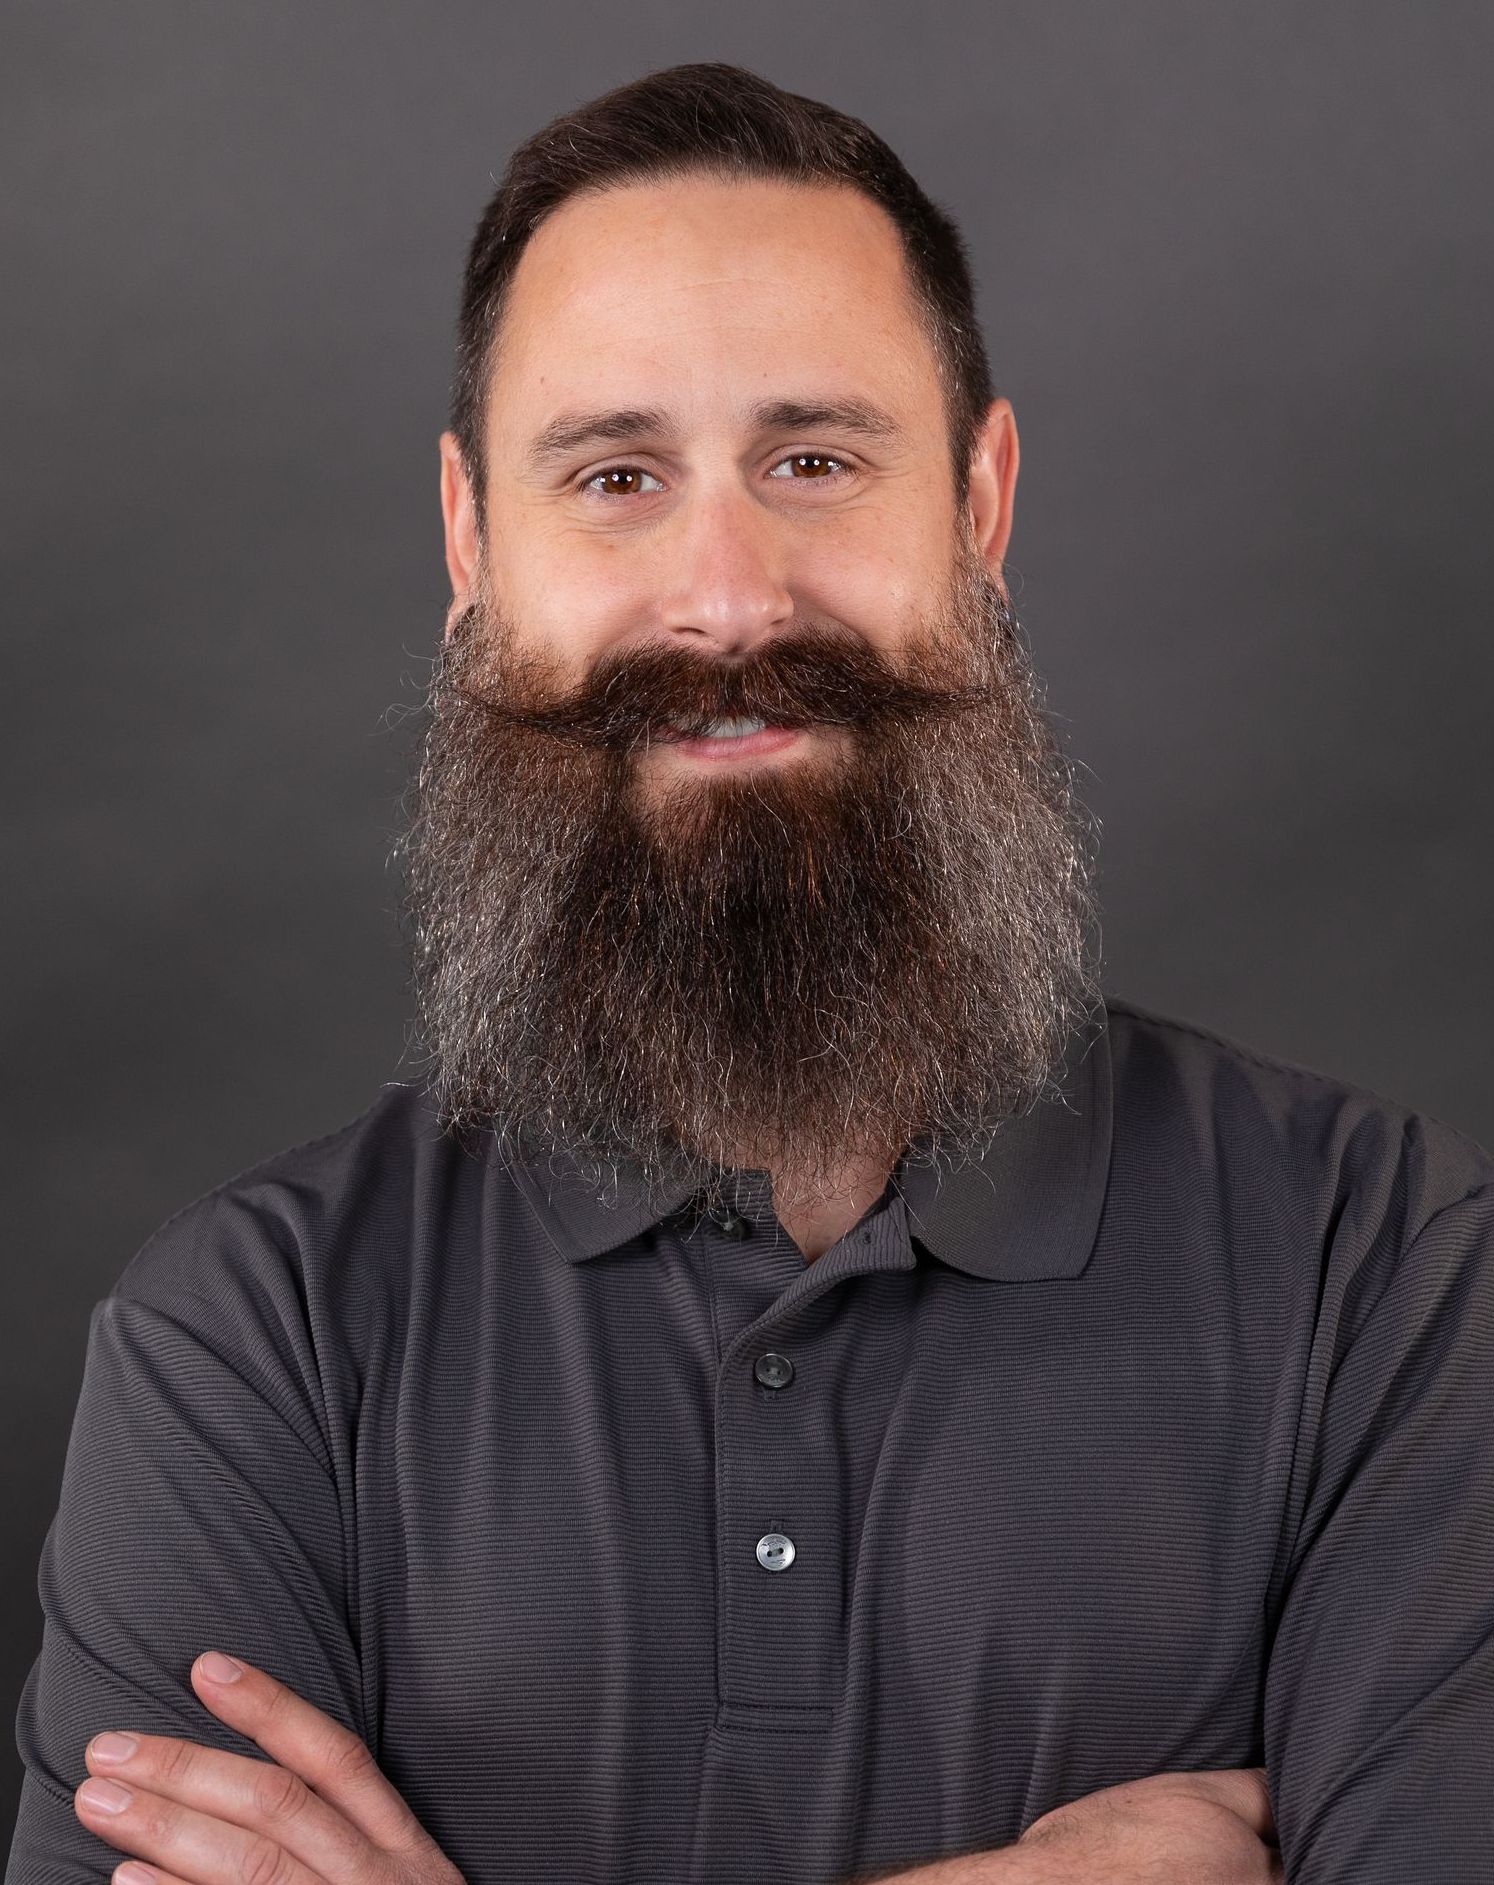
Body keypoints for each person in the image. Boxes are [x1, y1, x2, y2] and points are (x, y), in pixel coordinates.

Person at [7, 60, 1492, 1885]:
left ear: (980, 498)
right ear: (475, 543)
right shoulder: (250, 1343)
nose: (725, 598)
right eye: (616, 475)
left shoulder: (1382, 1271)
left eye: (813, 460)